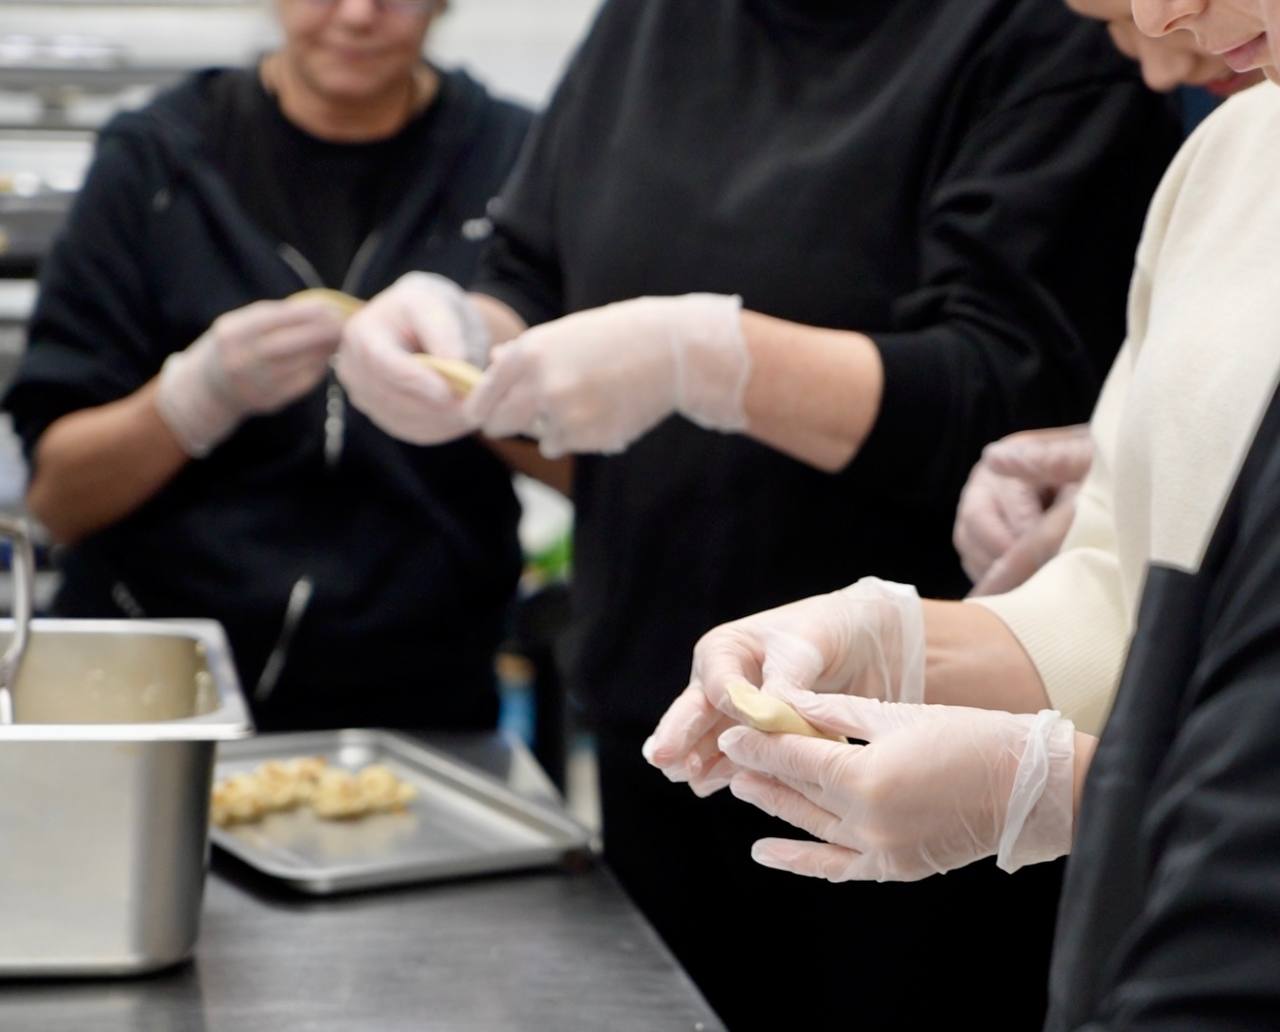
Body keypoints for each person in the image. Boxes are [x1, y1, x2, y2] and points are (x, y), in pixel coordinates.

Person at [335, 1, 1183, 1025]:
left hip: (925, 767)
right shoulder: (649, 22)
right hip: (662, 712)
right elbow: (529, 268)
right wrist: (462, 331)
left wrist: (714, 363)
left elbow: (1010, 396)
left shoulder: (1049, 33)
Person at [651, 0, 1280, 1026]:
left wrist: (1062, 790)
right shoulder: (1225, 163)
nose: (1161, 21)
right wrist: (890, 644)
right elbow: (1119, 587)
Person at [3, 0, 533, 731]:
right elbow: (58, 497)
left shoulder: (515, 161)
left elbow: (605, 471)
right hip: (158, 690)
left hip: (419, 695)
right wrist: (190, 401)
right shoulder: (157, 160)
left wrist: (484, 381)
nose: (357, 14)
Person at [954, 0, 1265, 599]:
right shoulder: (1223, 155)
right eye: (1114, 24)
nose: (1158, 66)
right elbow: (1121, 608)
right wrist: (1120, 457)